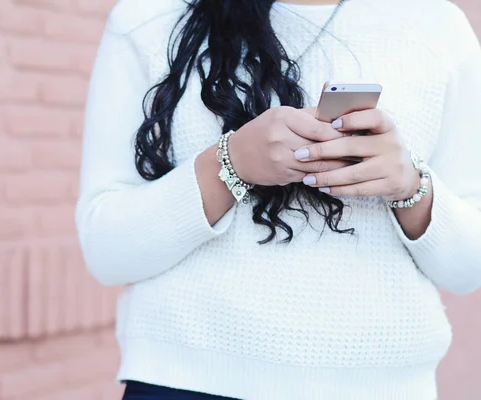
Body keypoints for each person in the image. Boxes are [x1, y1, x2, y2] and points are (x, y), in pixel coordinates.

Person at [76, 0, 481, 398]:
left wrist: (409, 186)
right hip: (187, 383)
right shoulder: (150, 18)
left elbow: (468, 269)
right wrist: (230, 164)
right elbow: (106, 250)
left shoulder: (437, 26)